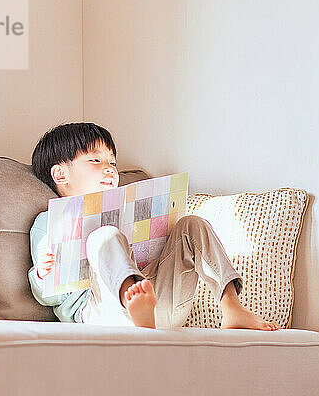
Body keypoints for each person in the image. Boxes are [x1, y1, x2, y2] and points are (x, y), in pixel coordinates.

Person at [28, 122, 279, 330]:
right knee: (104, 236)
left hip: (162, 303)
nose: (109, 169)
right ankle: (133, 301)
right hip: (101, 313)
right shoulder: (48, 222)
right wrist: (42, 273)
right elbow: (48, 297)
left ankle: (232, 307)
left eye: (113, 163)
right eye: (95, 160)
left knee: (191, 224)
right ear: (61, 175)